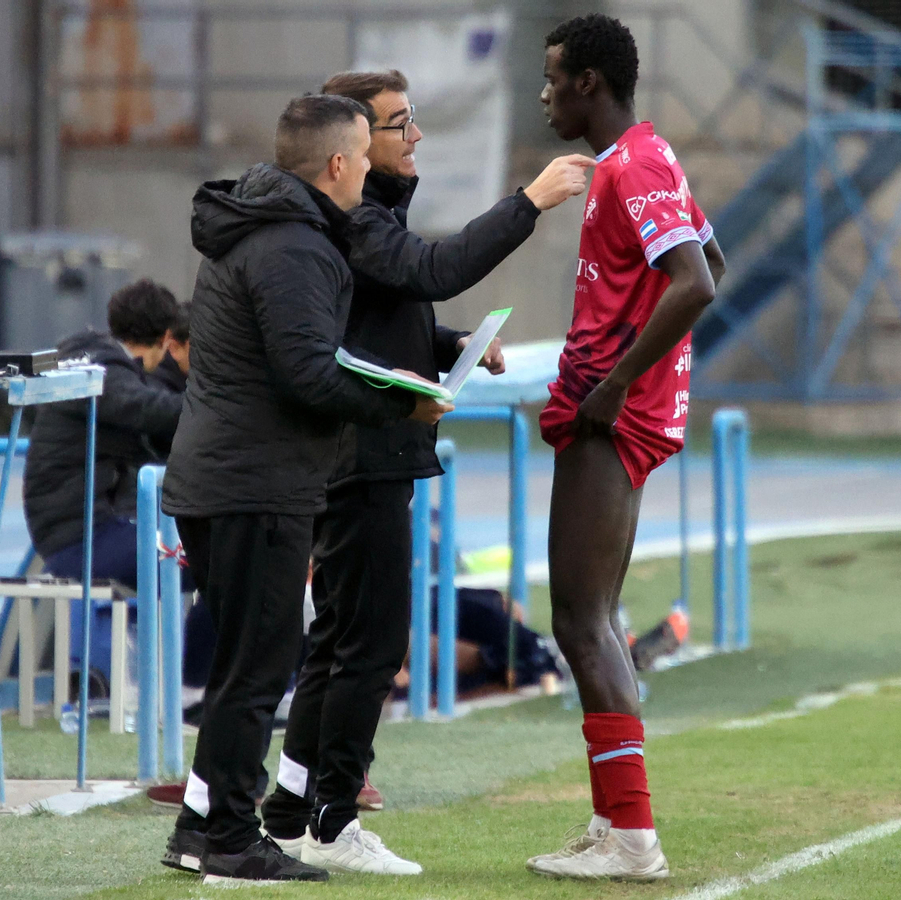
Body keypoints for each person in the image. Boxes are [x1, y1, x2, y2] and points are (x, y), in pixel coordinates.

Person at [258, 69, 593, 875]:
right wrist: (531, 201)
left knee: (340, 639)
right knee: (370, 645)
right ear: (350, 149)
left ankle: (292, 807)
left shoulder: (362, 218)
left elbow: (383, 308)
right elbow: (429, 270)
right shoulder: (353, 220)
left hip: (363, 453)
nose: (415, 138)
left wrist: (444, 345)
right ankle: (335, 822)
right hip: (360, 456)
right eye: (398, 125)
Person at [159, 94, 451, 885]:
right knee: (257, 669)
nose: (367, 168)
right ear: (337, 164)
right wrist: (404, 401)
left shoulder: (259, 228)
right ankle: (229, 836)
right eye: (362, 153)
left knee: (243, 665)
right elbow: (309, 375)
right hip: (255, 484)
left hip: (226, 476)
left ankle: (198, 826)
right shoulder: (292, 244)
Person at [525, 14, 726, 882]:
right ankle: (616, 823)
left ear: (589, 85)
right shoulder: (648, 156)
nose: (544, 93)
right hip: (622, 408)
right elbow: (707, 247)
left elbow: (698, 281)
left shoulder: (634, 165)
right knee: (591, 617)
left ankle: (633, 837)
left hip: (613, 417)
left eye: (553, 77)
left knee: (582, 618)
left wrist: (614, 383)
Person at [20, 278, 187, 689]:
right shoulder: (104, 373)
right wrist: (229, 411)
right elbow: (152, 410)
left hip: (73, 529)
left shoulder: (90, 361)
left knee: (200, 552)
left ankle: (118, 673)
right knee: (217, 556)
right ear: (166, 338)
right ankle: (194, 682)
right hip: (80, 537)